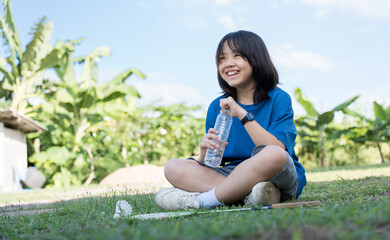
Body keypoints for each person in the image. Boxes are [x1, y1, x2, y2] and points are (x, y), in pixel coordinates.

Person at [155, 30, 306, 209]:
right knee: (172, 167)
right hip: (232, 173)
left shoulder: (279, 98)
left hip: (276, 172)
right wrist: (204, 154)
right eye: (222, 58)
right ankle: (251, 194)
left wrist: (243, 115)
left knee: (273, 154)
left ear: (256, 59)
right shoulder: (216, 107)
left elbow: (276, 148)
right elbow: (215, 162)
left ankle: (203, 201)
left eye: (237, 56)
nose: (228, 64)